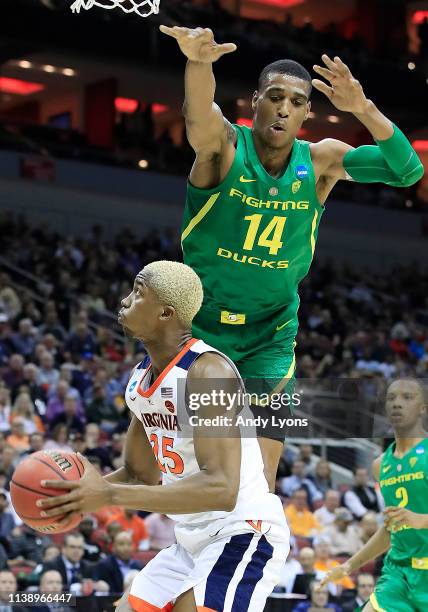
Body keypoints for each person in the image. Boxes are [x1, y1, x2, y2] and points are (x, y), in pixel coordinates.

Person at [159, 25, 424, 491]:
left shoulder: (320, 161)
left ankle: (259, 551)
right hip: (200, 325)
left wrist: (363, 109)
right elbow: (198, 115)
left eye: (296, 101)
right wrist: (198, 63)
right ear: (256, 99)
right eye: (275, 96)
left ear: (306, 111)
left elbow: (408, 172)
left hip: (272, 330)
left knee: (259, 480)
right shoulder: (224, 147)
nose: (284, 107)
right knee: (197, 471)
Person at [36, 261, 290, 611]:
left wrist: (107, 494)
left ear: (166, 313)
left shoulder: (208, 371)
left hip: (243, 531)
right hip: (189, 542)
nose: (124, 301)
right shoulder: (141, 381)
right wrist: (70, 497)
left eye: (138, 294)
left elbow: (222, 489)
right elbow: (140, 475)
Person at [320, 378, 428, 611]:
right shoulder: (381, 465)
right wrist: (348, 566)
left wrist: (420, 519)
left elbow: (414, 520)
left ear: (423, 407)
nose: (397, 403)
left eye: (407, 397)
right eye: (391, 398)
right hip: (399, 574)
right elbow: (391, 528)